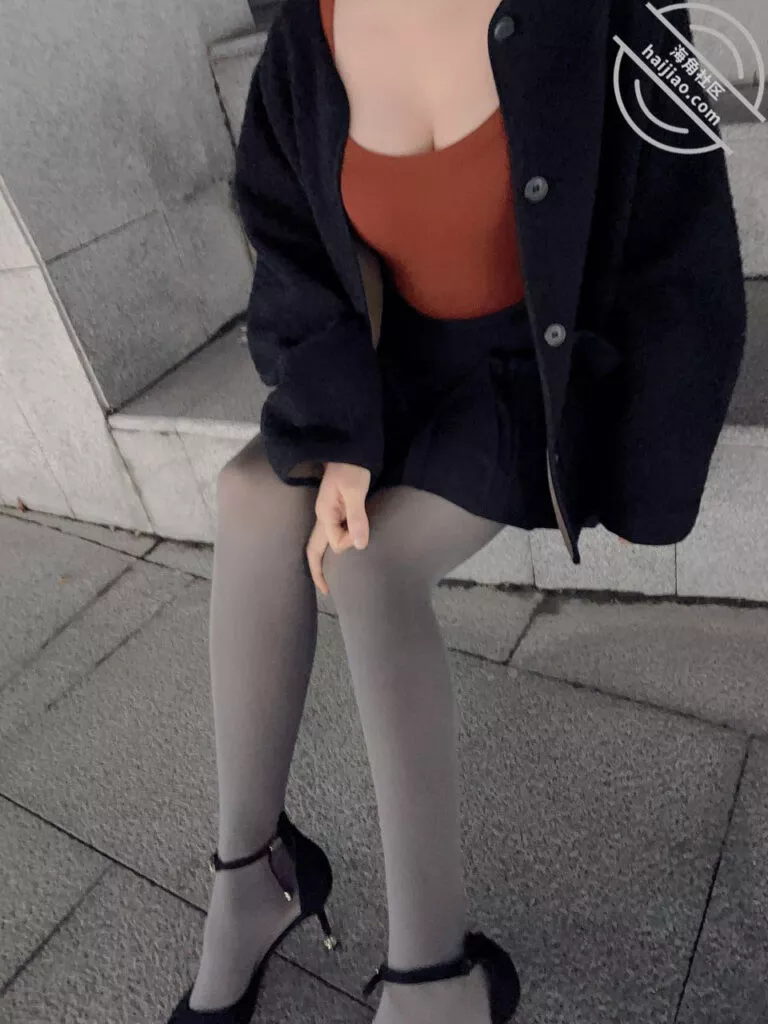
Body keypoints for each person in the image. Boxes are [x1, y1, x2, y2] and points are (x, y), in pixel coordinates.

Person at [166, 0, 746, 1021]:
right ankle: (248, 878)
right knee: (251, 494)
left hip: (532, 377)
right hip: (389, 361)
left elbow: (687, 236)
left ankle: (433, 979)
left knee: (373, 563)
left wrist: (644, 464)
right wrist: (339, 434)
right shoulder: (309, 32)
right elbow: (293, 239)